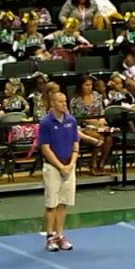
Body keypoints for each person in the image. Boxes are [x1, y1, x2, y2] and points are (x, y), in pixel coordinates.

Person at [38, 92, 80, 252]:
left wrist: (71, 164)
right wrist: (60, 166)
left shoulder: (71, 120)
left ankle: (60, 235)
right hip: (53, 168)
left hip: (69, 167)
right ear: (53, 103)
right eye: (61, 101)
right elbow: (45, 148)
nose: (64, 104)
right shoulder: (46, 122)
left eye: (65, 101)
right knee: (52, 204)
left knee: (63, 203)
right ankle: (50, 236)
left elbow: (75, 143)